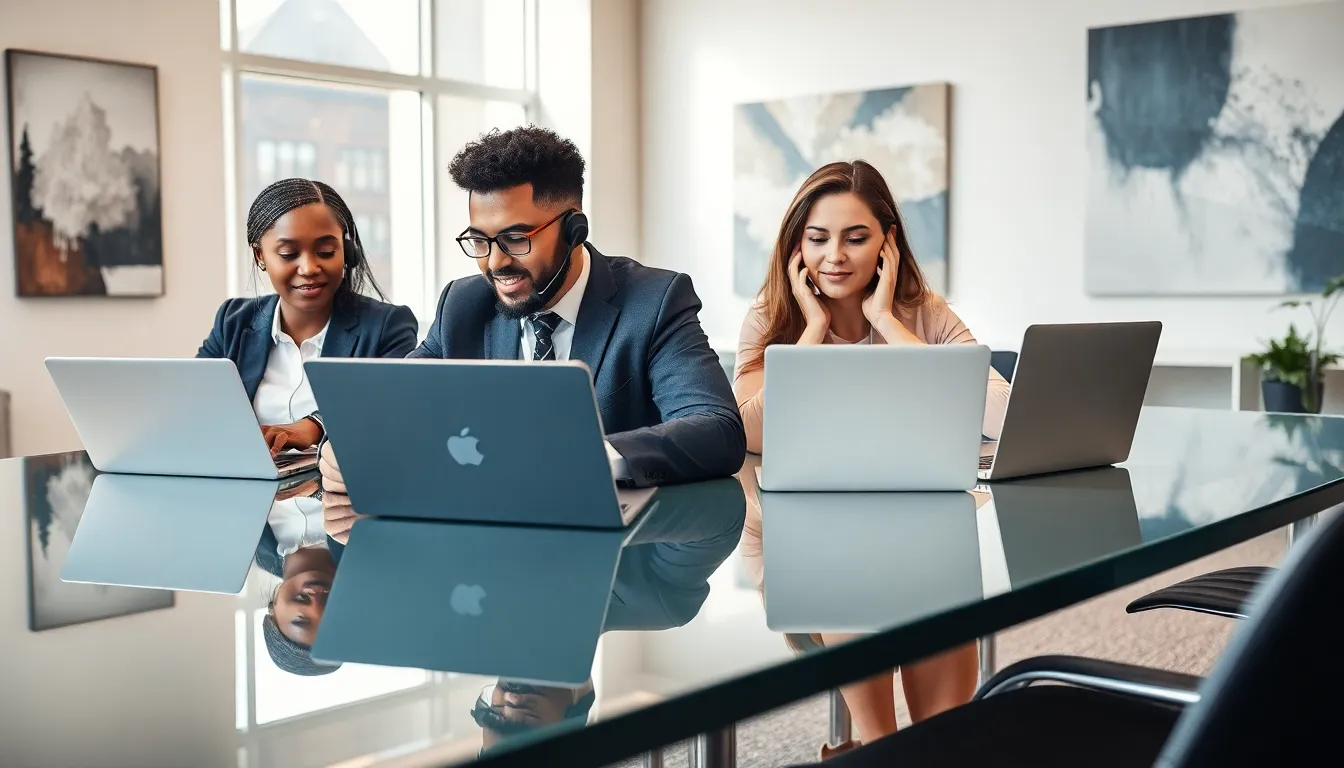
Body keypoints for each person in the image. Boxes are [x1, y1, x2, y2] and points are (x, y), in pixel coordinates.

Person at [319, 126, 745, 518]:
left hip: (623, 565)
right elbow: (393, 401)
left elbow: (717, 429)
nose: (495, 262)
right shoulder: (463, 305)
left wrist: (583, 457)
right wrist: (347, 445)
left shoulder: (654, 302)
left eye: (516, 238)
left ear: (574, 227)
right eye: (479, 240)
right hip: (489, 562)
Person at [733, 160, 1010, 454]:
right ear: (797, 246)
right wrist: (812, 333)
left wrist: (886, 321)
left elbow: (1002, 416)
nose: (835, 255)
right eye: (818, 239)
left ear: (888, 240)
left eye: (855, 239)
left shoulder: (928, 311)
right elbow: (750, 436)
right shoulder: (767, 318)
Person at [197, 178, 419, 454]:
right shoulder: (233, 320)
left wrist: (312, 426)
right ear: (260, 256)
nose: (309, 267)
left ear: (348, 252)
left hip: (338, 491)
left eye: (326, 252)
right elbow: (196, 404)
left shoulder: (387, 326)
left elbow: (388, 406)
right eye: (289, 254)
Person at [252, 476, 345, 676]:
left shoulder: (251, 544)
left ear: (273, 613)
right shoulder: (362, 535)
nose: (316, 606)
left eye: (301, 621)